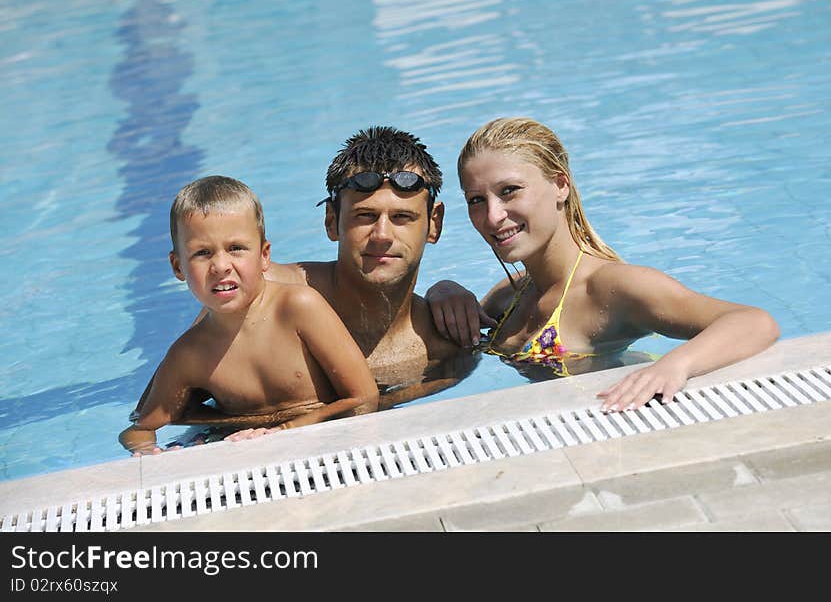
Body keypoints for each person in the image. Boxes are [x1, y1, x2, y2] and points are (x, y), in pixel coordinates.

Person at [128, 127, 475, 449]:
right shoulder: (259, 293)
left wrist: (444, 288)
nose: (382, 236)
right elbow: (155, 409)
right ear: (331, 222)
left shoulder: (449, 333)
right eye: (364, 216)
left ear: (434, 223)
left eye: (402, 218)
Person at [426, 117, 780, 411]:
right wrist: (444, 289)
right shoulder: (511, 294)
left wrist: (674, 366)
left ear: (560, 185)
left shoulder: (610, 288)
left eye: (509, 191)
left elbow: (753, 322)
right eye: (476, 199)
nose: (493, 216)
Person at [119, 176, 378, 455]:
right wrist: (146, 451)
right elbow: (140, 427)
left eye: (236, 249)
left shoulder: (298, 308)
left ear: (264, 255)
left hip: (328, 442)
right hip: (244, 450)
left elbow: (364, 396)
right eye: (202, 253)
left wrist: (286, 432)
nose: (220, 266)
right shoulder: (190, 354)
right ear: (178, 266)